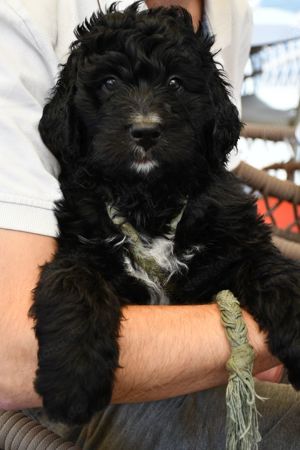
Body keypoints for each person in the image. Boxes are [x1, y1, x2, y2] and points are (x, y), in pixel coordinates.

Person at [0, 0, 299, 448]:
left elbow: (256, 265)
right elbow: (24, 355)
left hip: (206, 383)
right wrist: (253, 340)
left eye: (176, 83)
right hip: (85, 412)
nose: (145, 117)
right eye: (111, 83)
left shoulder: (234, 12)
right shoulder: (83, 216)